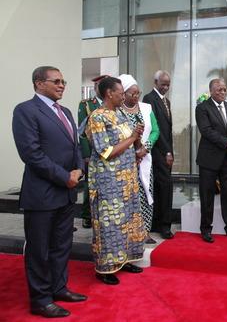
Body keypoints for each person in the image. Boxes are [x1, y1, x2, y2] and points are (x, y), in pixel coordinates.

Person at [12, 66, 87, 318]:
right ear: (38, 83)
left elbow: (75, 146)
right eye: (56, 81)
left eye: (63, 81)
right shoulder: (25, 111)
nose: (62, 85)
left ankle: (58, 288)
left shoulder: (65, 111)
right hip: (43, 193)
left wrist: (78, 169)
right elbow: (31, 154)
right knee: (39, 250)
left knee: (61, 246)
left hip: (67, 193)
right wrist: (64, 176)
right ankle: (41, 299)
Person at [86, 77, 146, 285]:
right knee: (110, 223)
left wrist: (136, 138)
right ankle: (106, 268)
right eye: (120, 92)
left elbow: (128, 141)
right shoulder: (97, 117)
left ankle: (125, 259)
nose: (124, 95)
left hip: (127, 180)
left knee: (127, 220)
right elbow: (106, 151)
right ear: (109, 93)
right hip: (108, 181)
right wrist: (131, 139)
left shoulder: (120, 112)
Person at [195, 78, 227, 243]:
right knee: (207, 195)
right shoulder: (202, 108)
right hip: (209, 159)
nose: (222, 92)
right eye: (219, 90)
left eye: (224, 89)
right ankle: (206, 229)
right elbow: (206, 131)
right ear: (211, 91)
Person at [119, 74, 159, 244]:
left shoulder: (146, 108)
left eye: (138, 93)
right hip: (124, 160)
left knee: (145, 193)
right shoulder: (116, 110)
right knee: (128, 196)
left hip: (144, 159)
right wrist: (132, 151)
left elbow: (156, 131)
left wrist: (145, 148)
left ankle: (145, 232)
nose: (136, 96)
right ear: (123, 94)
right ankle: (128, 232)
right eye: (132, 93)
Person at [143, 70, 175, 239]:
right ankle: (165, 226)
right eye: (163, 84)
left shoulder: (166, 101)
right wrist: (167, 151)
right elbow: (156, 129)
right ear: (155, 82)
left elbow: (168, 129)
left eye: (168, 84)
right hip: (157, 151)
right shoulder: (149, 99)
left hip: (166, 151)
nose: (166, 87)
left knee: (161, 187)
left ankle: (157, 223)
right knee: (165, 187)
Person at [77, 74, 107, 229]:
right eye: (99, 86)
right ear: (95, 88)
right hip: (93, 153)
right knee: (90, 185)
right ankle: (87, 215)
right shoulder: (87, 105)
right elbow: (81, 133)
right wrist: (86, 155)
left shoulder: (114, 104)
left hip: (110, 153)